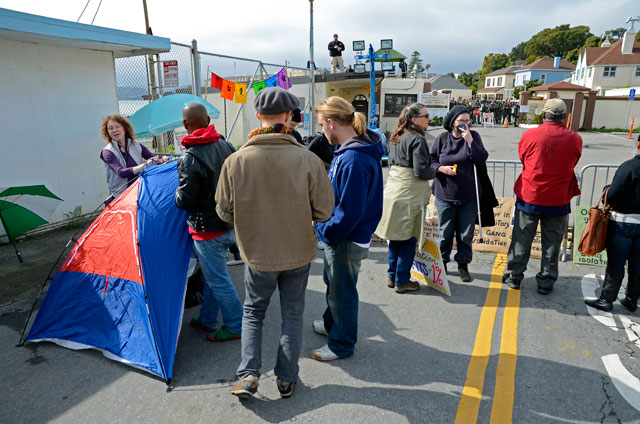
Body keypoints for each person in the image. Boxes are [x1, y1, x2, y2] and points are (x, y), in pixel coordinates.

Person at [216, 88, 334, 399]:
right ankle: (286, 378)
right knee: (292, 315)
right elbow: (324, 210)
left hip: (257, 253)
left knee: (253, 312)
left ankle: (249, 375)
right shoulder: (308, 159)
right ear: (288, 117)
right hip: (298, 251)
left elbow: (224, 212)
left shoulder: (235, 161)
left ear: (258, 116)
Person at [311, 96, 384, 361]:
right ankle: (332, 325)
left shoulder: (353, 157)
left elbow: (349, 212)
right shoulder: (353, 150)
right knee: (336, 284)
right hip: (344, 235)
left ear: (331, 123)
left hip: (345, 237)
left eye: (321, 125)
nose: (321, 131)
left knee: (342, 291)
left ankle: (341, 344)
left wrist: (325, 230)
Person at [174, 103, 243, 342]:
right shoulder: (227, 145)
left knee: (218, 279)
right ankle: (208, 319)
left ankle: (236, 325)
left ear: (185, 125)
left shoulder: (190, 157)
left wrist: (173, 193)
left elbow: (185, 199)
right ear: (207, 120)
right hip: (228, 224)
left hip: (206, 230)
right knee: (213, 276)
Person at [502, 99, 582, 294]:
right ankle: (546, 281)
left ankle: (515, 276)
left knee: (522, 238)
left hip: (531, 194)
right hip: (558, 198)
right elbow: (574, 161)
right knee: (552, 243)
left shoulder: (530, 135)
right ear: (564, 116)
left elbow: (523, 158)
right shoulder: (575, 138)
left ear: (544, 115)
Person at [375, 103, 435, 293]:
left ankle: (392, 276)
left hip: (393, 191)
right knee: (408, 239)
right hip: (409, 194)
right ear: (414, 119)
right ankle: (402, 281)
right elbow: (421, 171)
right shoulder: (417, 139)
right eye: (425, 116)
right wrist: (438, 170)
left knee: (395, 237)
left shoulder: (395, 136)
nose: (428, 119)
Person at [430, 105, 489, 282]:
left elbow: (481, 158)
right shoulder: (442, 138)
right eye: (461, 120)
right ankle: (443, 263)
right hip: (444, 194)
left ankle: (463, 264)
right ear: (452, 122)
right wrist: (440, 168)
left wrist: (470, 141)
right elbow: (431, 160)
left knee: (465, 234)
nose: (465, 123)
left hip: (467, 195)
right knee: (445, 233)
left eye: (468, 120)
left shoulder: (473, 136)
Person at [585, 137, 640, 312]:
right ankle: (632, 299)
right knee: (637, 265)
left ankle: (606, 299)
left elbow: (613, 194)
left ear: (638, 145)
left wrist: (606, 190)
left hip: (624, 222)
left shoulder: (630, 167)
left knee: (616, 263)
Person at [100, 114, 162, 200]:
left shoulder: (136, 145)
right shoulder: (107, 152)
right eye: (110, 128)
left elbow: (153, 158)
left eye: (117, 126)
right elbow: (121, 172)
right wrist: (144, 165)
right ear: (107, 132)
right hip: (121, 196)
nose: (114, 130)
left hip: (139, 190)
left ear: (124, 128)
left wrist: (161, 160)